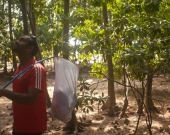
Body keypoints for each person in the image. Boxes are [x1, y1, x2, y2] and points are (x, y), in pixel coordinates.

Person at [0, 35, 47, 135]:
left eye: (22, 40)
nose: (17, 41)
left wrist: (4, 92)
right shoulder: (19, 67)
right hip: (19, 124)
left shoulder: (36, 68)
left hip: (32, 127)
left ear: (30, 48)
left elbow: (31, 99)